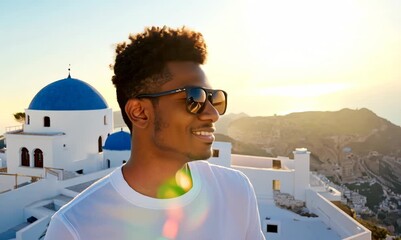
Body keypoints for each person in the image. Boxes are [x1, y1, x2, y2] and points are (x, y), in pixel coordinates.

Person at [45, 26, 265, 240]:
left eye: (214, 98)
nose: (213, 114)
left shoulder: (235, 190)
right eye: (194, 98)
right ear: (139, 112)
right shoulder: (75, 228)